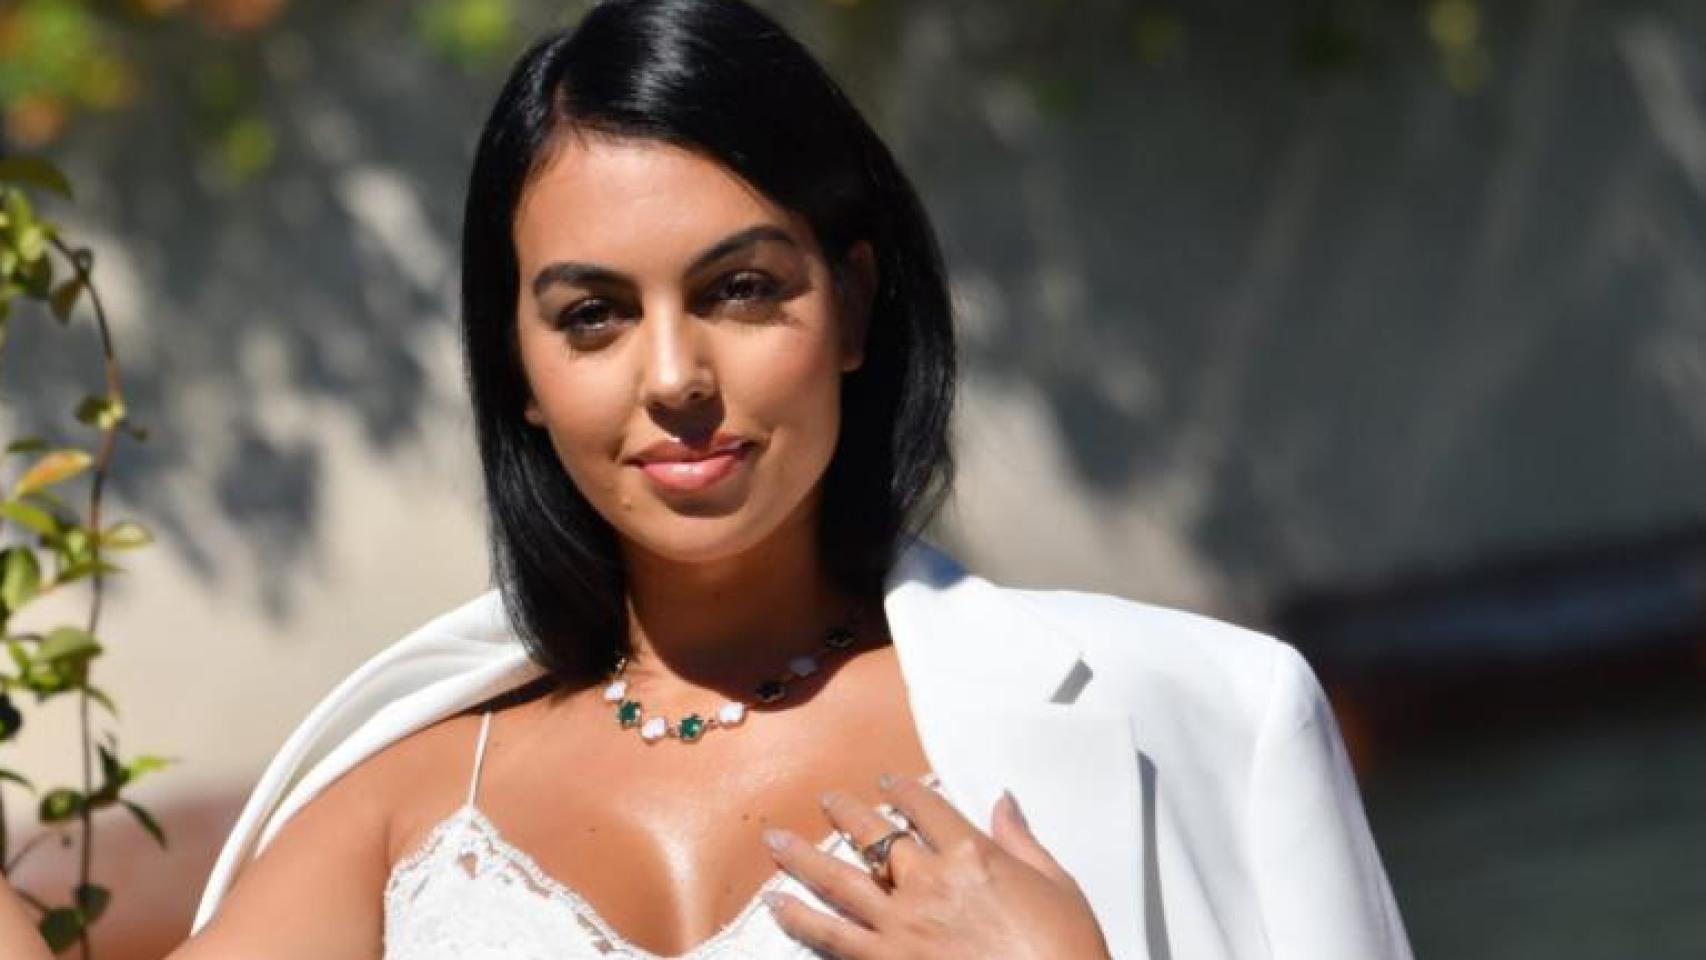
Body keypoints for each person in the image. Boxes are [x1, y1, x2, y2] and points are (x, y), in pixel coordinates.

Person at [0, 0, 1412, 957]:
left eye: (739, 289)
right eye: (592, 315)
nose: (673, 374)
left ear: (852, 307)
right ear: (519, 369)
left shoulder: (1205, 714)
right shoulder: (399, 795)